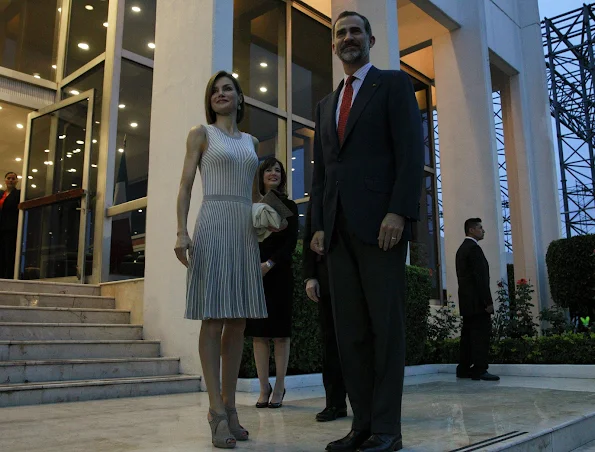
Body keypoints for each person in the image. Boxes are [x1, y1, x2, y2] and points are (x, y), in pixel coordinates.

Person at [309, 11, 424, 452]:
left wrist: (398, 212)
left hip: (382, 229)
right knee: (350, 333)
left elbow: (410, 155)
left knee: (385, 329)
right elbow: (322, 174)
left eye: (355, 31)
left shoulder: (393, 85)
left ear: (371, 39)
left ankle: (387, 429)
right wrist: (317, 226)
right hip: (337, 234)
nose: (348, 38)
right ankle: (360, 425)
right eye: (341, 34)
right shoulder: (325, 105)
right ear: (334, 45)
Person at [174, 71, 267, 449]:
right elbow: (184, 185)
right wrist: (181, 232)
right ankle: (215, 409)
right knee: (213, 318)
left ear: (240, 98)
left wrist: (262, 218)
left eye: (227, 89)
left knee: (239, 320)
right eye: (214, 90)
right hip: (212, 222)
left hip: (243, 230)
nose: (220, 94)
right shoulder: (201, 133)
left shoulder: (251, 142)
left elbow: (251, 193)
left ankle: (230, 407)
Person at [245, 157, 298, 409]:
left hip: (279, 274)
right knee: (258, 334)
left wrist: (270, 264)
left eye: (278, 170)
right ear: (261, 175)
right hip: (255, 275)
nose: (274, 173)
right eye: (269, 169)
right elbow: (247, 239)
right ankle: (263, 387)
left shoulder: (288, 205)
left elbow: (289, 243)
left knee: (280, 335)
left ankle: (279, 386)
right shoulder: (251, 205)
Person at [303, 201, 347, 422]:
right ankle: (335, 403)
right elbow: (308, 234)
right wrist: (310, 275)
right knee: (330, 343)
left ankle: (367, 404)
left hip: (355, 273)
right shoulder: (320, 196)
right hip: (326, 273)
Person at [455, 218, 500, 382]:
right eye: (480, 228)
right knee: (480, 336)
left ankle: (464, 368)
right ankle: (480, 369)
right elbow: (480, 278)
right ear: (472, 230)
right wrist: (488, 302)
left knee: (467, 336)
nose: (483, 230)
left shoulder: (462, 249)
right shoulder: (474, 249)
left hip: (467, 302)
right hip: (478, 303)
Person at [0, 172, 21, 279]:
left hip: (10, 227)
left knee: (9, 252)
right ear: (5, 180)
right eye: (9, 178)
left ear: (16, 181)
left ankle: (8, 276)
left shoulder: (18, 194)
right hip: (1, 227)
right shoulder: (1, 194)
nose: (11, 180)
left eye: (13, 178)